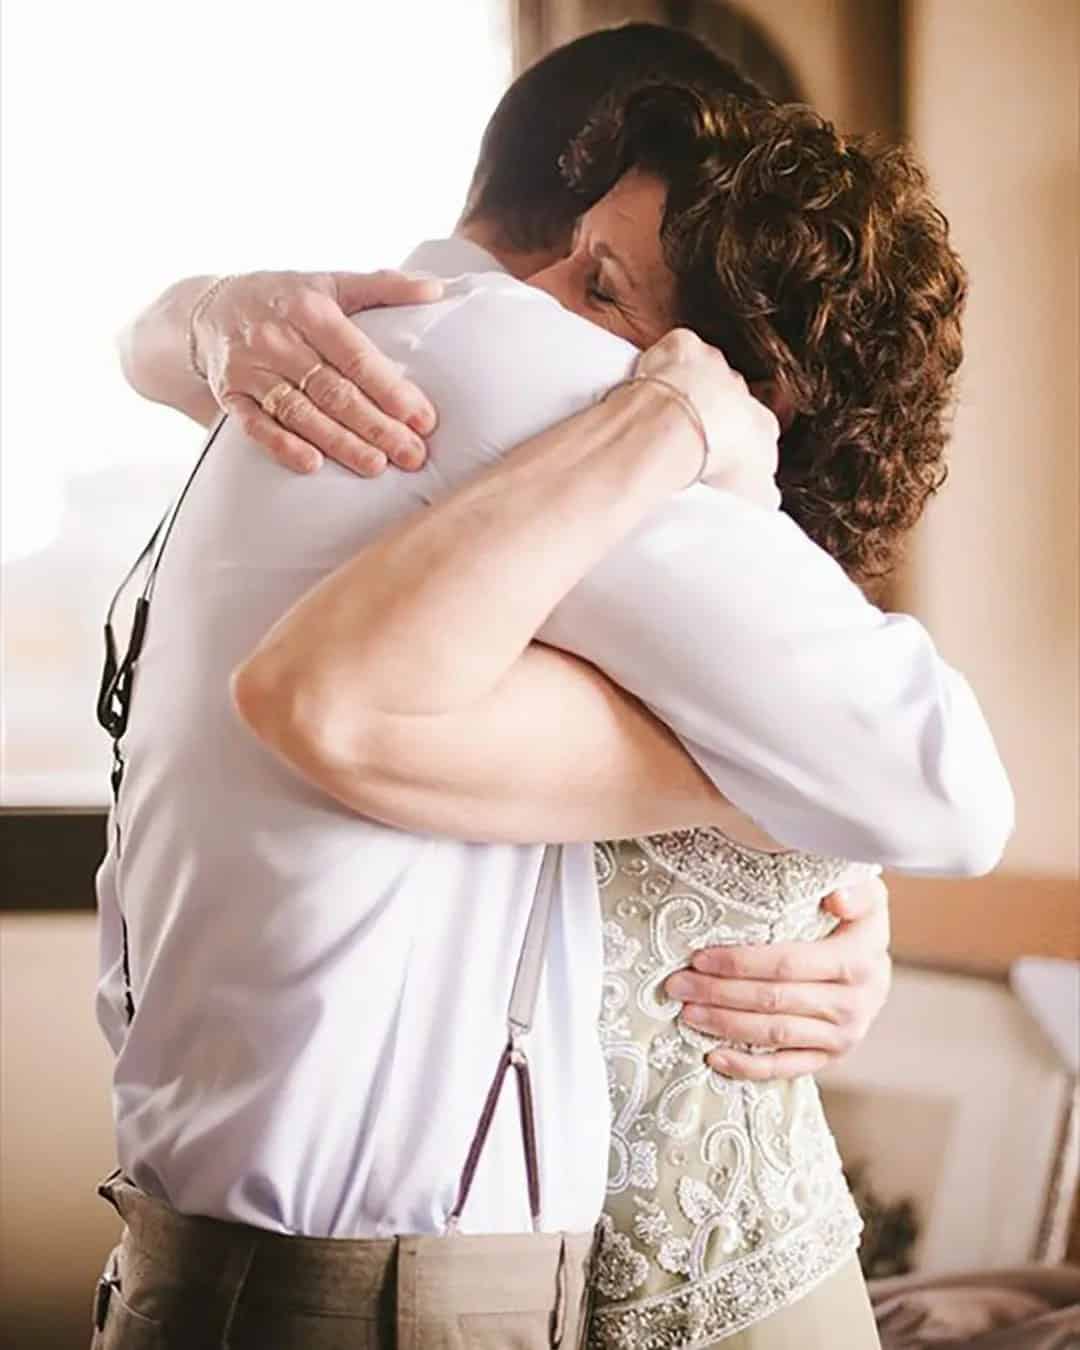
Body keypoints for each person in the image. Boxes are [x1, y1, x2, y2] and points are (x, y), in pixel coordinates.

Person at [96, 25, 1011, 1350]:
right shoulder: (542, 386)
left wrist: (818, 867)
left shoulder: (302, 378)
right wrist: (778, 803)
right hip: (381, 1289)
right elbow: (941, 777)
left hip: (184, 1260)